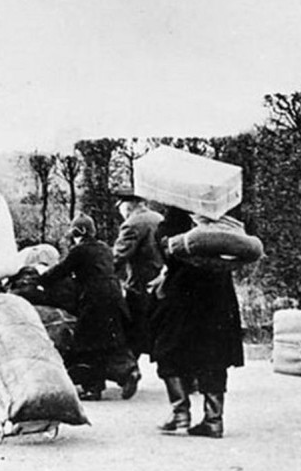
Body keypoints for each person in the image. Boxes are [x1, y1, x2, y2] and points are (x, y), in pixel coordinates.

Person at [150, 206, 244, 438]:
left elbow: (166, 246)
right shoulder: (223, 210)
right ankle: (213, 419)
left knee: (168, 348)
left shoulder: (180, 208)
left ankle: (180, 414)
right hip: (219, 292)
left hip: (184, 291)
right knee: (214, 352)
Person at [39, 213, 139, 401]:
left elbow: (61, 270)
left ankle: (93, 387)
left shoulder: (79, 250)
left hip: (94, 299)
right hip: (115, 296)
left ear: (80, 232)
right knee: (113, 340)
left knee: (87, 343)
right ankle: (129, 372)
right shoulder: (105, 248)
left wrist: (40, 279)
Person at [112, 187, 164, 358]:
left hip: (140, 287)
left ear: (128, 205)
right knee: (159, 332)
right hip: (162, 283)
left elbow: (118, 257)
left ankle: (132, 368)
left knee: (133, 335)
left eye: (119, 205)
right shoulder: (158, 218)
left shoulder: (132, 224)